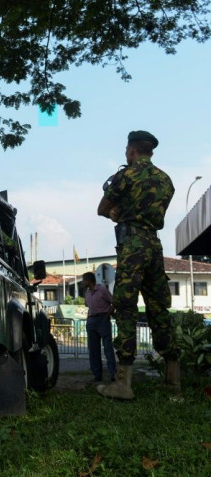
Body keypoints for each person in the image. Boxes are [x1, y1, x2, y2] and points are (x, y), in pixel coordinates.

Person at [96, 130, 179, 400]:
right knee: (159, 309)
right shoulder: (166, 181)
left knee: (126, 308)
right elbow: (151, 210)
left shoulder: (126, 175)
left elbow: (102, 207)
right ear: (150, 151)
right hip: (154, 247)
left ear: (132, 150)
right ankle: (173, 380)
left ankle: (123, 384)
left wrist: (114, 212)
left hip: (132, 246)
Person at [82, 272, 116, 382]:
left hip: (103, 319)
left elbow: (113, 302)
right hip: (91, 320)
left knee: (107, 348)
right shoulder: (87, 293)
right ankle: (97, 375)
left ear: (89, 280)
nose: (83, 282)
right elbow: (88, 307)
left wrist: (107, 316)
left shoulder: (102, 290)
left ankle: (112, 374)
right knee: (93, 349)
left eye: (84, 280)